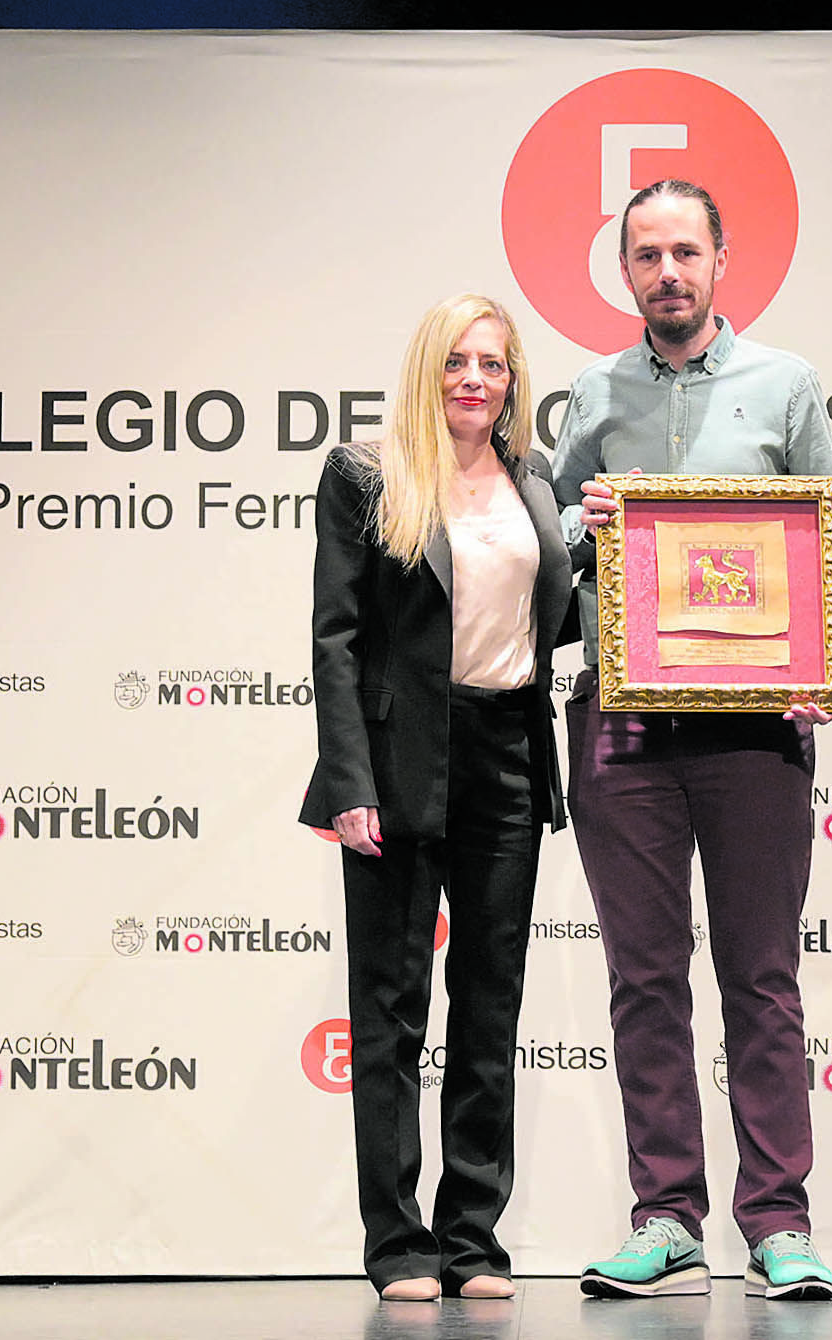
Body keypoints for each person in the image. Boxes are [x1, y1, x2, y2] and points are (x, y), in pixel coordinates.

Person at [551, 179, 832, 1302]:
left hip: (753, 732)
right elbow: (549, 556)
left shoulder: (786, 386)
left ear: (721, 260)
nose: (667, 271)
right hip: (621, 720)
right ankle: (665, 1216)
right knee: (643, 980)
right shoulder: (589, 393)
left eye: (686, 250)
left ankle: (779, 1222)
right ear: (625, 270)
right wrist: (572, 528)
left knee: (762, 980)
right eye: (647, 254)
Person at [299, 293, 574, 1301]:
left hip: (508, 749)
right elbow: (335, 639)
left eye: (493, 364)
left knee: (490, 1006)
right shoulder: (367, 473)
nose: (474, 379)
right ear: (428, 370)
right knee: (390, 1012)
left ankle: (472, 1240)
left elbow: (560, 611)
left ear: (513, 379)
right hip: (399, 754)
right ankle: (397, 1243)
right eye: (457, 361)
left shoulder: (535, 478)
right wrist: (347, 781)